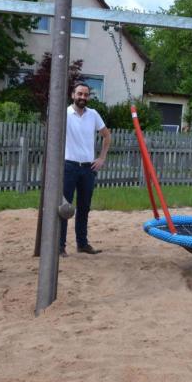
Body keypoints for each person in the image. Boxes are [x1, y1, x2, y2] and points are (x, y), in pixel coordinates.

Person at [60, 82, 112, 257]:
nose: (83, 97)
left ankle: (82, 244)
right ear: (73, 95)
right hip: (68, 166)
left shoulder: (93, 114)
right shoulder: (65, 114)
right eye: (80, 94)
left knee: (84, 207)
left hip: (88, 168)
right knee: (64, 207)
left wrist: (102, 157)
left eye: (86, 94)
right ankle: (60, 246)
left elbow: (107, 136)